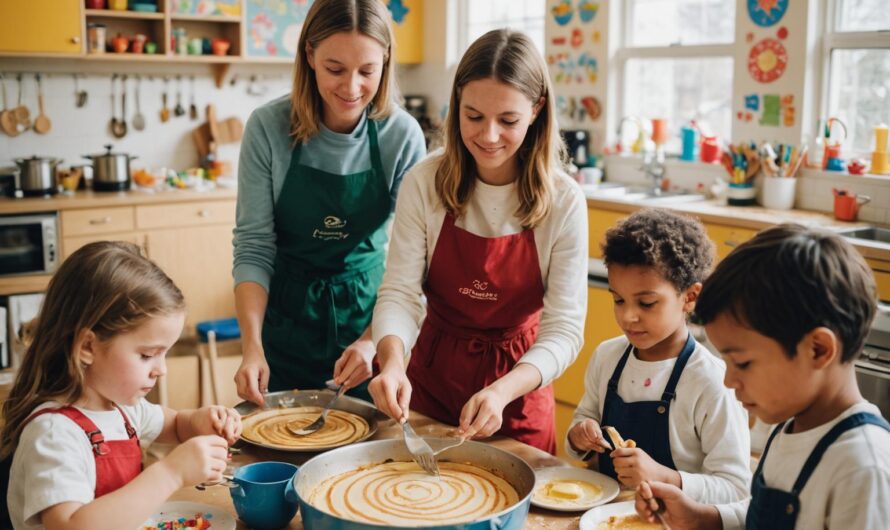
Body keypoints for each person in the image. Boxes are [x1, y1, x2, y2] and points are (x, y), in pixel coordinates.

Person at [368, 29, 588, 454]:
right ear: (455, 106)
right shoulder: (425, 182)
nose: (488, 136)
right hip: (429, 380)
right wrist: (393, 364)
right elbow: (399, 292)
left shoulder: (563, 201)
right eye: (472, 116)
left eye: (508, 120)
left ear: (536, 110)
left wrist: (503, 391)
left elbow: (563, 329)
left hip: (518, 389)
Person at [233, 0, 427, 404]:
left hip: (370, 318)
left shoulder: (402, 136)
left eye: (367, 71)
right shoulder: (268, 128)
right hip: (285, 323)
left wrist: (373, 342)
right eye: (335, 69)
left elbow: (416, 260)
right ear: (310, 56)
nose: (351, 87)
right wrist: (252, 347)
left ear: (386, 60)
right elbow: (254, 246)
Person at [635, 224, 890, 530]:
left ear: (818, 350)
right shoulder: (791, 426)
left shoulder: (862, 468)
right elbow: (764, 516)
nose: (729, 381)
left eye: (742, 363)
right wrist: (703, 517)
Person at [0, 242, 241, 530]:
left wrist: (202, 421)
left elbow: (176, 424)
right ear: (88, 346)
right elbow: (69, 526)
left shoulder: (122, 408)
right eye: (147, 355)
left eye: (164, 354)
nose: (161, 370)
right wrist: (171, 473)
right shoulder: (54, 434)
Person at [565, 209, 750, 503]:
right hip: (607, 515)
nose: (628, 316)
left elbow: (735, 489)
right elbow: (585, 418)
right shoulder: (607, 357)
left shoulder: (711, 381)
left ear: (689, 297)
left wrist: (664, 477)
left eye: (647, 303)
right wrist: (579, 436)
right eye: (618, 300)